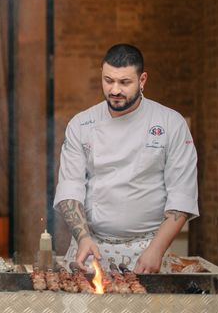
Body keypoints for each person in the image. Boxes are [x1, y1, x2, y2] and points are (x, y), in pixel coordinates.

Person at [53, 44, 198, 273]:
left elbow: (182, 196)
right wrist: (82, 237)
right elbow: (70, 189)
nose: (115, 90)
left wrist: (156, 250)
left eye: (124, 82)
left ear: (142, 80)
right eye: (108, 80)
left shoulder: (171, 123)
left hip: (148, 250)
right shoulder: (81, 124)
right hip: (90, 248)